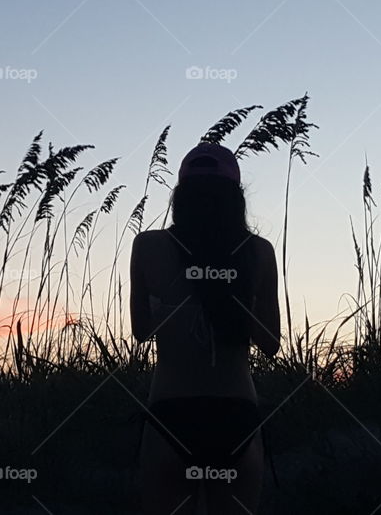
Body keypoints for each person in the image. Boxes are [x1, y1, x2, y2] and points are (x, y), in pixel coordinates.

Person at [130, 142, 281, 514]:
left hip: (170, 411)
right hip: (236, 416)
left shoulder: (148, 246)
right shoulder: (258, 252)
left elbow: (141, 331)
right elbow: (270, 343)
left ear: (180, 196)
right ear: (236, 198)